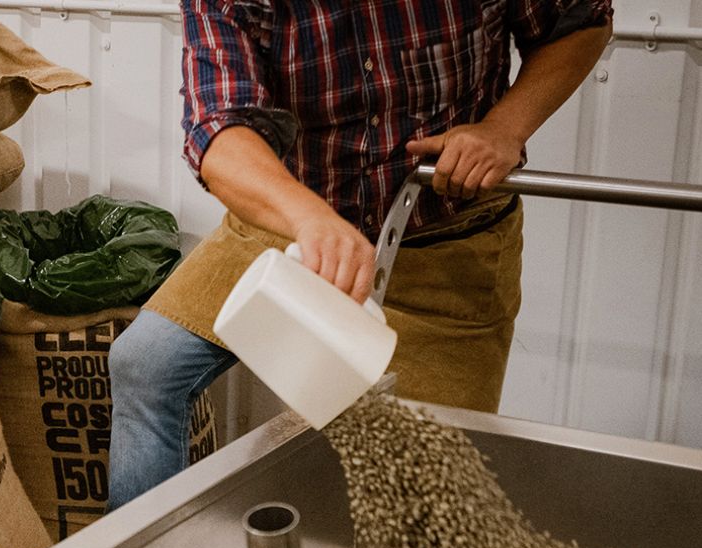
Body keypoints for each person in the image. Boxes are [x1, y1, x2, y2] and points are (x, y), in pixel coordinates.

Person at [107, 0, 613, 510]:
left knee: (427, 490)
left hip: (444, 249)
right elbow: (218, 127)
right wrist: (308, 218)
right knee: (146, 365)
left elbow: (579, 23)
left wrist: (505, 128)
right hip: (293, 226)